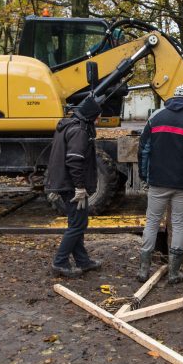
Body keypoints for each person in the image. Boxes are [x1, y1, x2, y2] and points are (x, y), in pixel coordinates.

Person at [136, 84, 183, 284]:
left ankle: (143, 270)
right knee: (178, 224)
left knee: (152, 221)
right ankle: (174, 273)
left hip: (158, 182)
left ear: (173, 97)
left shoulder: (155, 117)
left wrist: (143, 177)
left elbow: (143, 151)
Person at [46, 97, 103, 277]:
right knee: (78, 224)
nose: (99, 119)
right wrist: (79, 187)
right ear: (92, 115)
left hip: (64, 182)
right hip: (71, 185)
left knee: (76, 223)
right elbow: (74, 160)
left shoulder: (68, 125)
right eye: (98, 116)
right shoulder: (79, 131)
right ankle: (60, 262)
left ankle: (83, 261)